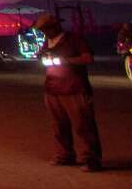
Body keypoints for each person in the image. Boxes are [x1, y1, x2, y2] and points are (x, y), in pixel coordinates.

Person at [33, 13, 102, 172]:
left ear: (56, 26)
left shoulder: (74, 39)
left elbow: (88, 58)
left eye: (46, 29)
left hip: (74, 88)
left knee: (83, 125)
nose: (45, 32)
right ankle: (65, 155)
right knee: (58, 125)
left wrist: (67, 60)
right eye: (43, 30)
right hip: (52, 88)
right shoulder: (47, 41)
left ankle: (91, 159)